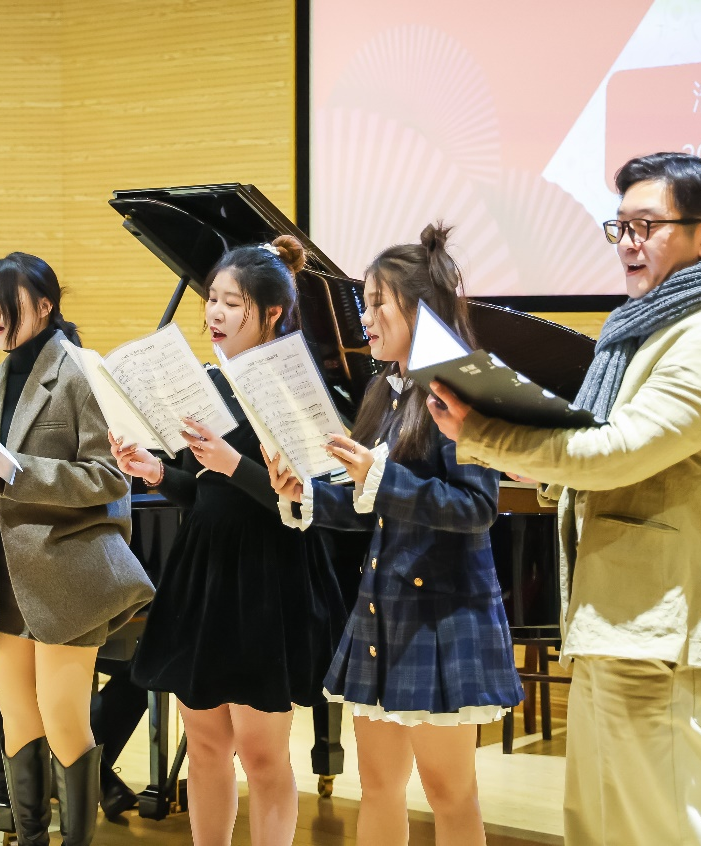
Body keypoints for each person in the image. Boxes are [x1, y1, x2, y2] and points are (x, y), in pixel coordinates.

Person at [427, 152, 701, 846]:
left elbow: (615, 454)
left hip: (664, 627)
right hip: (617, 620)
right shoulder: (641, 334)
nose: (629, 243)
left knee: (666, 829)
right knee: (599, 827)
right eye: (621, 227)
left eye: (648, 226)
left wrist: (484, 434)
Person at [267, 222, 522, 846]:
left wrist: (379, 479)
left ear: (418, 308)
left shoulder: (464, 386)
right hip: (384, 611)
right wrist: (305, 494)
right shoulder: (385, 389)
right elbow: (368, 503)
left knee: (449, 794)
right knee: (378, 787)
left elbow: (476, 507)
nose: (365, 317)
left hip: (444, 615)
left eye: (377, 302)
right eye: (365, 301)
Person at [113, 237, 347, 846]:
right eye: (212, 299)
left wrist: (231, 463)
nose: (214, 313)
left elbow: (304, 504)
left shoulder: (293, 387)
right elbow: (203, 495)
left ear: (271, 313)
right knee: (206, 745)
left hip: (267, 575)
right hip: (204, 571)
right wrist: (156, 472)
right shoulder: (209, 382)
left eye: (232, 303)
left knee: (263, 755)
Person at [0, 252, 153, 846]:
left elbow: (110, 477)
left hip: (67, 576)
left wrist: (17, 469)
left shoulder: (81, 374)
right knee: (19, 722)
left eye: (5, 301)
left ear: (45, 305)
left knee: (64, 720)